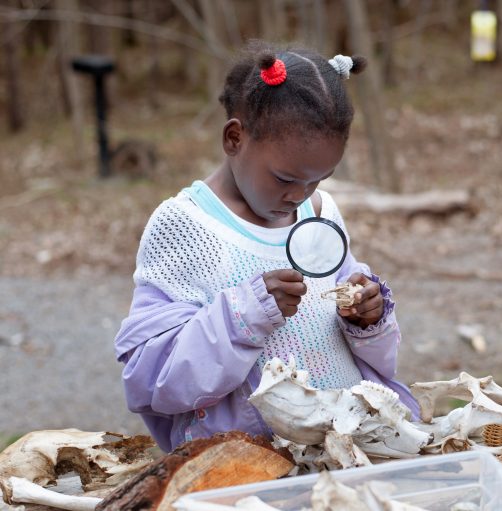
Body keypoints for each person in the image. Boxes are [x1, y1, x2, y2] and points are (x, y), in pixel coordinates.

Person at [113, 40, 418, 452]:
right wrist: (246, 314)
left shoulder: (320, 211)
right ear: (235, 138)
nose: (300, 194)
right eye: (285, 178)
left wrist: (367, 316)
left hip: (346, 447)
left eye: (318, 178)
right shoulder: (185, 227)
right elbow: (154, 379)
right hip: (250, 461)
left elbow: (372, 351)